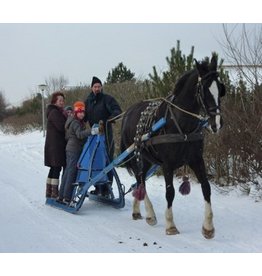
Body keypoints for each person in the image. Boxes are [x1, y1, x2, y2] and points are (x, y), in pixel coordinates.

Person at [84, 76, 122, 195]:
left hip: (106, 134)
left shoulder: (107, 99)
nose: (97, 88)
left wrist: (110, 119)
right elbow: (83, 116)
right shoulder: (88, 101)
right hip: (93, 136)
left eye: (99, 86)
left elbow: (117, 111)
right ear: (91, 88)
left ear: (101, 87)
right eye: (95, 86)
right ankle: (98, 187)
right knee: (95, 161)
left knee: (107, 160)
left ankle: (107, 187)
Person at [58, 101, 91, 203]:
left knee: (68, 172)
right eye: (79, 112)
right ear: (76, 113)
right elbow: (80, 135)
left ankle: (61, 196)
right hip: (74, 150)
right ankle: (67, 198)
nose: (81, 114)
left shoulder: (74, 121)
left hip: (71, 149)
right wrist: (91, 131)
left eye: (83, 112)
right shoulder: (75, 122)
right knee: (71, 173)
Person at [44, 91, 67, 198]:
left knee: (53, 168)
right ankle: (54, 193)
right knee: (56, 168)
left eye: (63, 100)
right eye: (60, 100)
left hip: (53, 145)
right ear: (55, 101)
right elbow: (62, 127)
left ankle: (49, 191)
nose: (62, 102)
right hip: (56, 146)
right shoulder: (55, 112)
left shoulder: (54, 111)